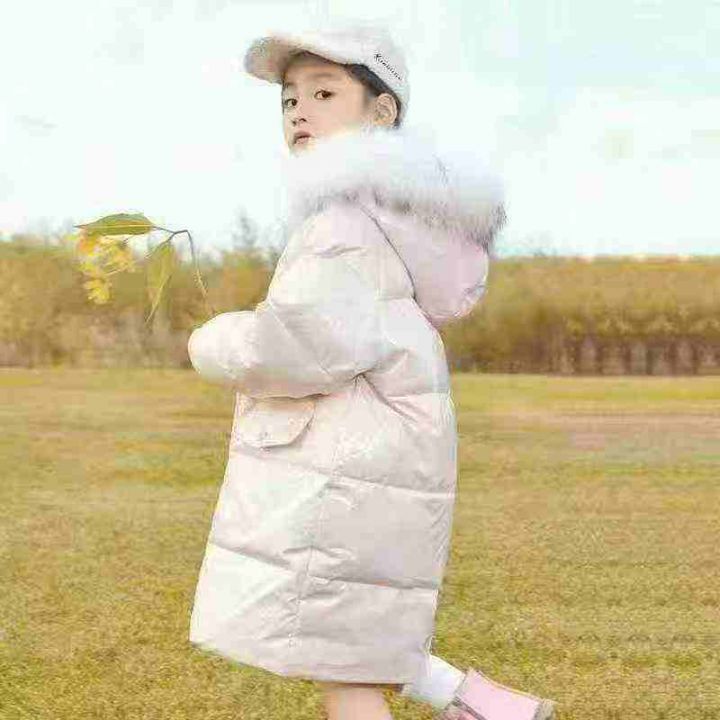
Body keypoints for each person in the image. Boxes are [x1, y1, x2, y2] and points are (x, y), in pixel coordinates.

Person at [186, 20, 556, 720]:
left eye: (324, 93)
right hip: (376, 460)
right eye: (289, 99)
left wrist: (217, 340)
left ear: (381, 112)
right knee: (350, 638)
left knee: (345, 664)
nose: (299, 110)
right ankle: (488, 707)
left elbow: (297, 348)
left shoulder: (342, 224)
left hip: (345, 472)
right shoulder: (392, 218)